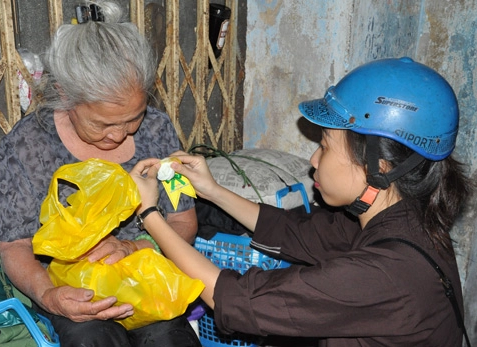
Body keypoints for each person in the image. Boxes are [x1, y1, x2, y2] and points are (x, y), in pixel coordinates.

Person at [129, 57, 473, 346]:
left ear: (379, 166)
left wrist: (149, 213)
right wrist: (212, 190)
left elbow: (234, 299)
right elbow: (292, 231)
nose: (313, 159)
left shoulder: (383, 273)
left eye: (324, 145)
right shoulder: (402, 220)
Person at [0, 1, 201, 346]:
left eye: (132, 118)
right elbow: (15, 244)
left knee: (169, 337)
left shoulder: (157, 130)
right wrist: (49, 295)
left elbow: (183, 219)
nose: (120, 135)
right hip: (68, 289)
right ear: (64, 94)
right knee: (92, 337)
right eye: (103, 124)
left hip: (145, 278)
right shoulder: (27, 146)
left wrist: (134, 246)